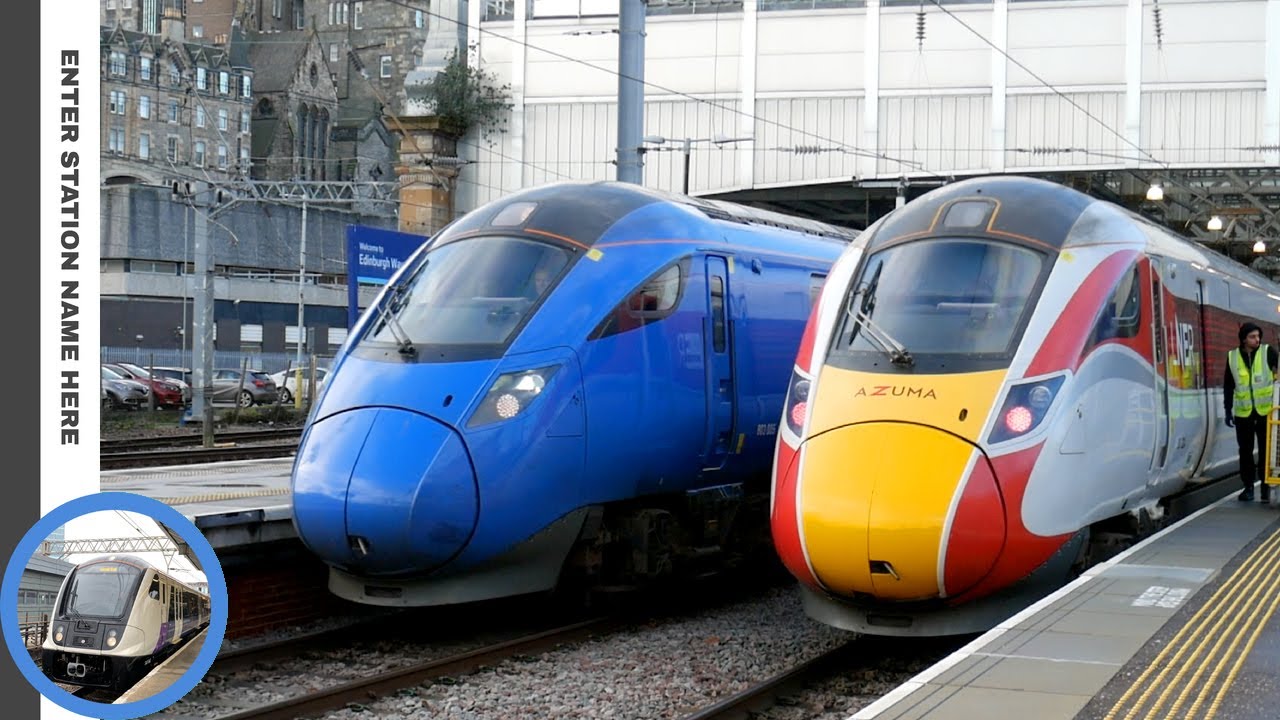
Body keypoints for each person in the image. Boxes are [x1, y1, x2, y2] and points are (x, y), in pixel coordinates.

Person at [1224, 321, 1279, 502]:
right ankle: (1248, 487)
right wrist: (1227, 409)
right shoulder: (1232, 357)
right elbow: (1228, 385)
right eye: (1252, 337)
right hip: (1243, 414)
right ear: (1243, 339)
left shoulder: (1267, 352)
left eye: (1258, 336)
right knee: (1245, 452)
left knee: (1266, 451)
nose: (1257, 339)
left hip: (1266, 413)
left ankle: (1265, 487)